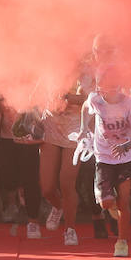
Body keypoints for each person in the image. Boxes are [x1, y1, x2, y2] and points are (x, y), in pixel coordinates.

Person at [81, 64, 131, 258]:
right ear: (99, 85)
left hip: (127, 157)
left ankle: (122, 241)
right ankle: (109, 206)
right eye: (106, 82)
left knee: (124, 201)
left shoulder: (129, 105)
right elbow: (85, 108)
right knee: (106, 202)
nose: (110, 86)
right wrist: (84, 127)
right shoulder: (95, 100)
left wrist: (125, 146)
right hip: (103, 156)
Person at [39, 89, 85, 246]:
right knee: (47, 188)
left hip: (75, 129)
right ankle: (58, 207)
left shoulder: (87, 71)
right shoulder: (48, 69)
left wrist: (71, 98)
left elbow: (96, 97)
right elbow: (36, 93)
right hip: (51, 127)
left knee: (66, 183)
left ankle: (70, 229)